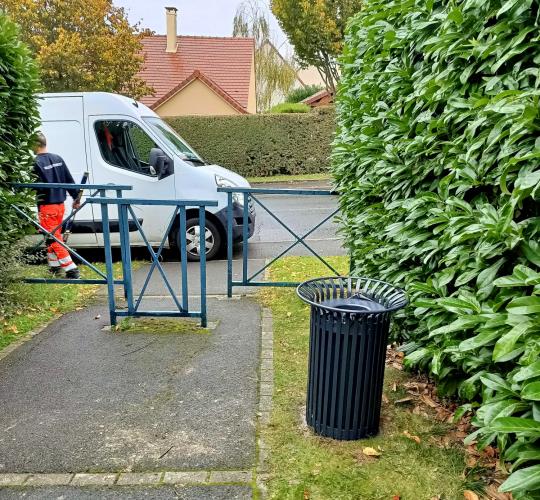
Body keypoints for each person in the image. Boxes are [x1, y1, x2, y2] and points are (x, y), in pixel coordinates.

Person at [33, 132, 81, 279]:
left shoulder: (36, 163)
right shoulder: (58, 159)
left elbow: (38, 188)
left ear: (35, 145)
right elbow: (68, 180)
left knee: (53, 239)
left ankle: (71, 269)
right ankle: (54, 267)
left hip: (47, 207)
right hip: (60, 206)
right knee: (53, 237)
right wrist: (76, 198)